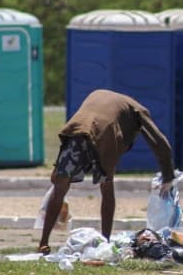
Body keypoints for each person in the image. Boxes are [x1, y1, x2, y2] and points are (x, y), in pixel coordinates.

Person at [38, 89, 175, 255]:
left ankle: (43, 243)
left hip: (77, 131)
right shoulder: (138, 110)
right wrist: (168, 176)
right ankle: (105, 241)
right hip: (105, 136)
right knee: (107, 189)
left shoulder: (98, 93)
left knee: (60, 187)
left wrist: (58, 172)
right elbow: (160, 142)